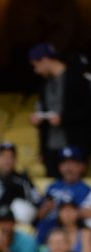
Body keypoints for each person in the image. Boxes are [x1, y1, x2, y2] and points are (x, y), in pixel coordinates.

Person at [29, 44, 91, 175]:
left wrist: (63, 119)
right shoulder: (44, 84)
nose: (36, 70)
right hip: (52, 146)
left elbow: (86, 111)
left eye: (36, 65)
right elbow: (42, 108)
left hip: (74, 143)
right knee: (54, 184)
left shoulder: (77, 79)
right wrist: (39, 118)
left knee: (76, 185)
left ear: (45, 60)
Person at [36, 146, 91, 243]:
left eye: (73, 163)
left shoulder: (86, 190)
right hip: (47, 231)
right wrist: (46, 208)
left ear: (81, 166)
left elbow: (87, 213)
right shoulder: (51, 187)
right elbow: (39, 215)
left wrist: (67, 211)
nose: (68, 167)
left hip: (70, 235)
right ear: (59, 167)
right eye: (64, 163)